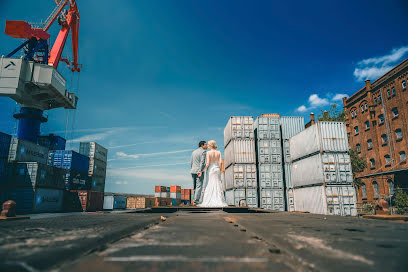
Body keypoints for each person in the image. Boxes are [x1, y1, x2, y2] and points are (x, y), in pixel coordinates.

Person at [199, 140, 227, 207]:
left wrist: (202, 170)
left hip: (211, 169)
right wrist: (219, 169)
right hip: (217, 169)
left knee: (210, 183)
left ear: (210, 145)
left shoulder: (208, 153)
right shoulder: (219, 152)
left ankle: (210, 199)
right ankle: (218, 200)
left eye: (208, 144)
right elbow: (220, 162)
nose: (207, 145)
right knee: (217, 183)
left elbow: (208, 163)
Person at [190, 141, 207, 205]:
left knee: (194, 186)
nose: (207, 146)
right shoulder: (203, 152)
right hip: (199, 171)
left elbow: (191, 162)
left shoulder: (193, 152)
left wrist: (192, 169)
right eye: (205, 145)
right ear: (202, 145)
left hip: (193, 170)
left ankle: (194, 200)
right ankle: (196, 202)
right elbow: (202, 162)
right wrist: (200, 171)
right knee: (199, 186)